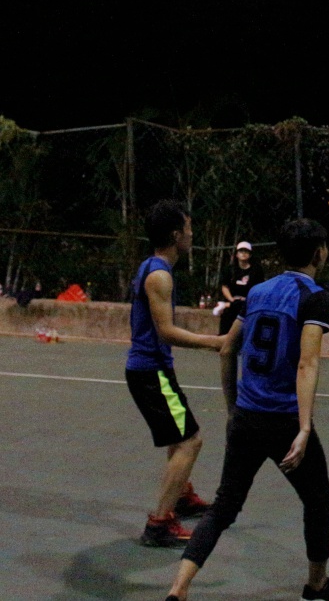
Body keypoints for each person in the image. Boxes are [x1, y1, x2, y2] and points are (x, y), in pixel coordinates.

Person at [164, 218, 329, 601]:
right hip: (283, 420)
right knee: (318, 499)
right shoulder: (315, 297)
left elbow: (227, 347)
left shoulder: (257, 292)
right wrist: (304, 428)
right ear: (319, 253)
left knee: (224, 506)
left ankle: (178, 589)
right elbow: (307, 363)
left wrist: (232, 409)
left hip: (247, 418)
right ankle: (316, 584)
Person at [125, 200, 224, 548]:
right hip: (150, 373)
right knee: (189, 441)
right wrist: (215, 342)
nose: (192, 234)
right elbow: (165, 331)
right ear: (175, 235)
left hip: (153, 371)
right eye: (188, 228)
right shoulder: (159, 276)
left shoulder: (153, 267)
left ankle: (180, 497)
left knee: (177, 436)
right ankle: (159, 523)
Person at [218, 240, 267, 334]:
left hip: (250, 303)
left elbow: (260, 288)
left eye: (246, 251)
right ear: (237, 254)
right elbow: (225, 287)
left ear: (250, 254)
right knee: (227, 316)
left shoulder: (256, 270)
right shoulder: (230, 269)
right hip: (233, 302)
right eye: (241, 251)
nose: (243, 253)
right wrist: (231, 300)